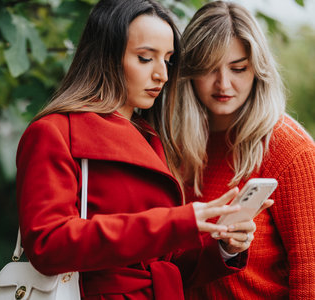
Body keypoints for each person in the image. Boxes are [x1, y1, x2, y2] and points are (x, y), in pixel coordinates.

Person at [16, 0, 260, 299]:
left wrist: (224, 247)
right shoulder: (55, 132)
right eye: (145, 58)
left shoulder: (153, 138)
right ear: (106, 56)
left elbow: (163, 266)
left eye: (168, 60)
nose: (162, 75)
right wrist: (176, 222)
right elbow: (48, 244)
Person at [174, 1, 315, 299]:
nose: (223, 84)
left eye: (238, 68)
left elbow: (310, 275)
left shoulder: (289, 148)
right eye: (209, 69)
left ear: (258, 70)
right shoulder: (174, 142)